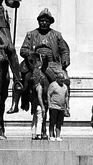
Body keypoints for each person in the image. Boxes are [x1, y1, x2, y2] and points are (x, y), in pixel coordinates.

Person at [19, 8, 71, 137]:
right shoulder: (31, 34)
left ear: (50, 22)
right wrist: (32, 53)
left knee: (65, 79)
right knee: (20, 77)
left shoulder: (57, 35)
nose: (43, 23)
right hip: (34, 62)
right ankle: (19, 101)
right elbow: (23, 50)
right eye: (41, 21)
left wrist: (65, 60)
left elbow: (64, 50)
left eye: (46, 21)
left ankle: (65, 106)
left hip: (51, 63)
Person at [47, 70, 69, 141]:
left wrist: (67, 106)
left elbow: (66, 96)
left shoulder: (65, 86)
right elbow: (48, 94)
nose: (62, 80)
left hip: (61, 108)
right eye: (61, 79)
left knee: (59, 123)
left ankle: (58, 135)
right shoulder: (53, 85)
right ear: (57, 79)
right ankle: (51, 135)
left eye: (63, 79)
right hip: (54, 106)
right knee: (52, 122)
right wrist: (49, 104)